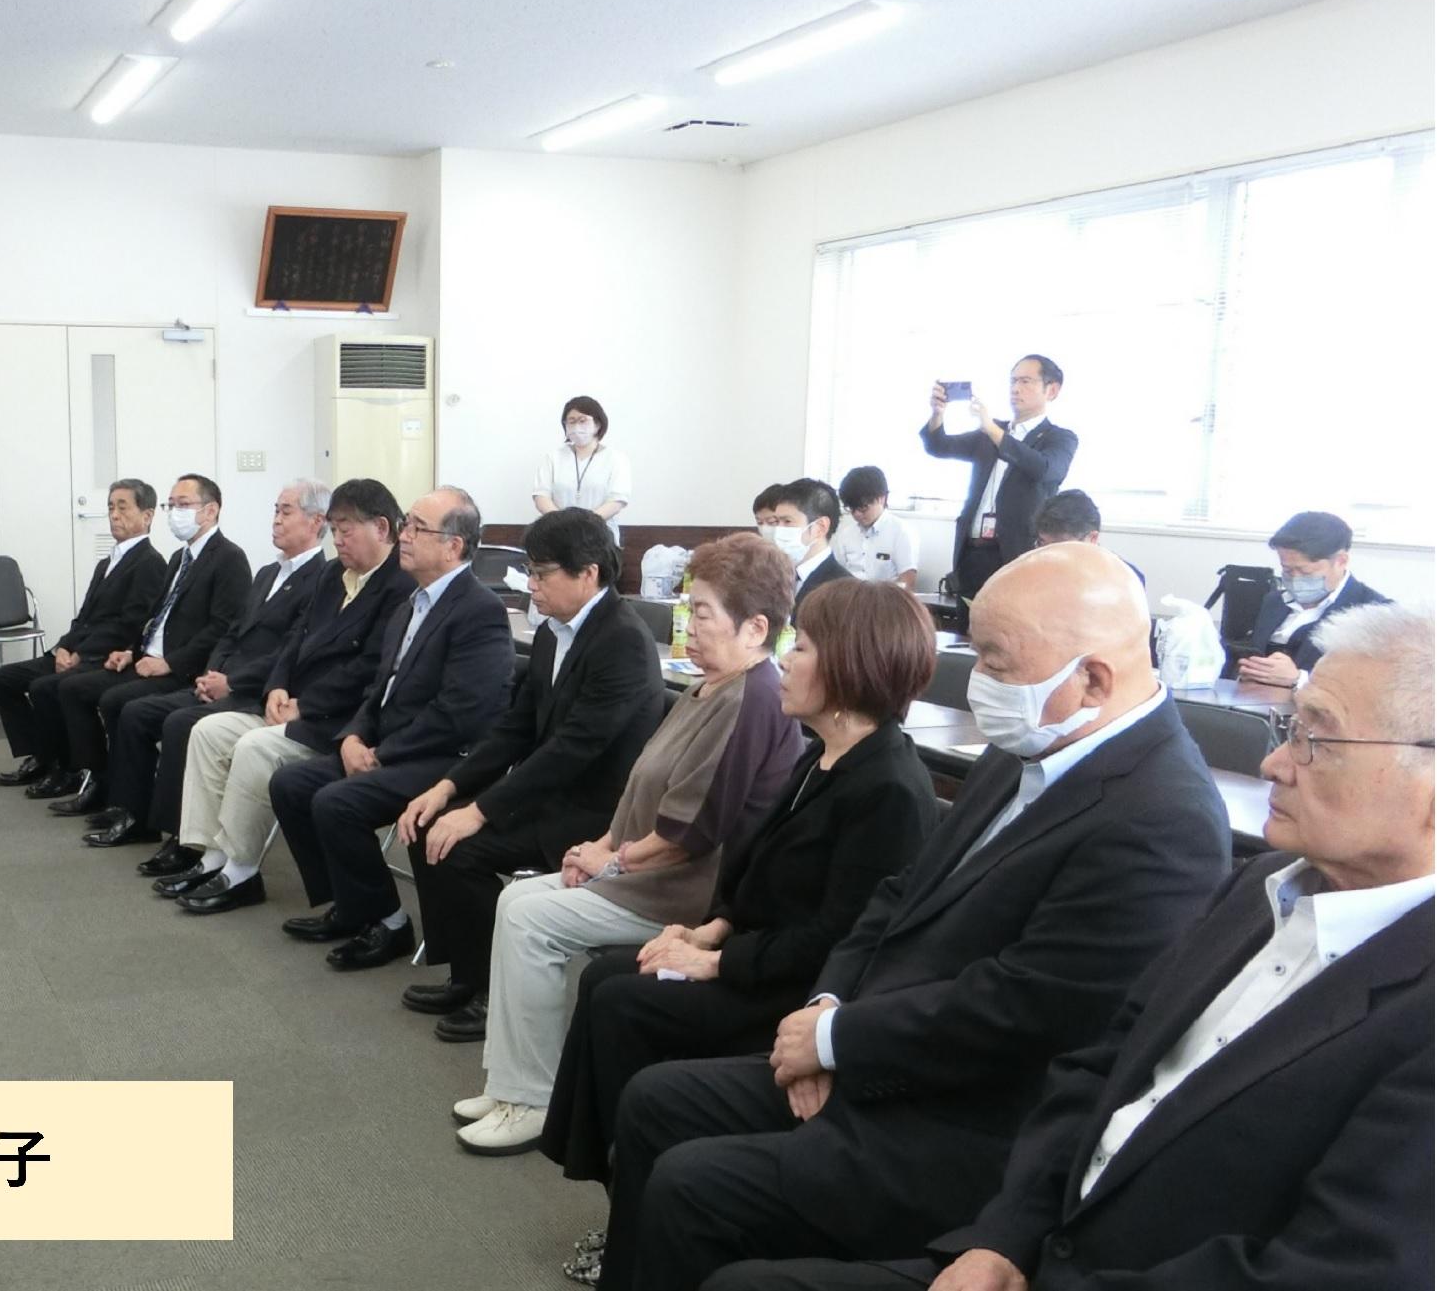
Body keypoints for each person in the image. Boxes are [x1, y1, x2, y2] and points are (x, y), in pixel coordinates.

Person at [717, 603, 1434, 1291]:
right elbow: (1103, 1067)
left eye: (1316, 739)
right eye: (1288, 727)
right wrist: (1005, 1236)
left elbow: (1338, 1271)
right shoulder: (1258, 888)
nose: (1275, 762)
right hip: (1036, 1228)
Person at [595, 543, 1232, 1291]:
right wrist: (826, 1006)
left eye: (993, 662)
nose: (976, 680)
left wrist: (838, 1040)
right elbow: (898, 895)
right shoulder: (1027, 748)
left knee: (692, 1187)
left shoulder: (1163, 818)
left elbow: (1026, 1007)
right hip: (878, 1042)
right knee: (656, 1101)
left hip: (963, 1118)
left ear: (1091, 678)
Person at [543, 579, 940, 1284]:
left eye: (803, 648)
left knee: (625, 1001)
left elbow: (835, 939)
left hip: (794, 990)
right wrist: (709, 930)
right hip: (756, 952)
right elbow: (753, 869)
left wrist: (717, 963)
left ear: (848, 669)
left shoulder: (888, 789)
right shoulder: (819, 754)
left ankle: (635, 1206)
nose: (785, 660)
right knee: (609, 976)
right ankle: (623, 1189)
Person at [452, 533, 808, 1158]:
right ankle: (511, 1082)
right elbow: (642, 788)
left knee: (531, 919)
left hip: (687, 895)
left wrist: (611, 861)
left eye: (702, 612)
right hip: (644, 873)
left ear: (756, 629)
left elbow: (691, 835)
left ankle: (533, 1099)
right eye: (688, 607)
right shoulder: (706, 687)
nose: (687, 623)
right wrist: (598, 846)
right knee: (517, 903)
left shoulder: (752, 700)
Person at [393, 508, 669, 1042]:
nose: (531, 586)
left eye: (542, 574)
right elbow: (515, 729)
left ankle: (492, 994)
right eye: (531, 572)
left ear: (588, 573)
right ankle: (468, 975)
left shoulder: (623, 641)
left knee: (462, 848)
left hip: (596, 816)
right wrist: (449, 787)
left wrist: (480, 810)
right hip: (549, 795)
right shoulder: (552, 632)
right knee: (432, 826)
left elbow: (572, 750)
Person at [269, 487, 513, 970]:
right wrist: (354, 736)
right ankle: (352, 905)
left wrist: (383, 752)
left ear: (453, 546)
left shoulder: (479, 610)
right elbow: (378, 690)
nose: (404, 536)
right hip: (390, 747)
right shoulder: (411, 603)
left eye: (418, 528)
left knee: (337, 803)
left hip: (443, 759)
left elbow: (459, 713)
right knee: (290, 784)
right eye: (407, 525)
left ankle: (389, 924)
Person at [144, 480, 414, 911]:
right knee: (208, 732)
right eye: (334, 529)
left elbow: (368, 669)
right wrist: (278, 686)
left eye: (345, 529)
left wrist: (306, 705)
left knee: (253, 748)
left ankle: (240, 870)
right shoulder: (333, 575)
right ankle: (210, 854)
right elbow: (295, 639)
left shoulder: (400, 586)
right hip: (287, 704)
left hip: (335, 719)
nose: (337, 539)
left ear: (381, 528)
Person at [82, 480, 331, 849]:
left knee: (177, 722)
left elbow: (288, 652)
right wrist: (211, 673)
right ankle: (133, 813)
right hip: (218, 679)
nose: (276, 519)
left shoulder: (321, 580)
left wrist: (231, 682)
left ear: (316, 521)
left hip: (254, 691)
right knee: (135, 713)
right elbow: (231, 632)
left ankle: (181, 837)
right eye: (275, 510)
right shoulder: (268, 572)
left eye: (286, 511)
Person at [44, 474, 253, 817]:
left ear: (210, 510)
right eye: (172, 505)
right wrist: (131, 650)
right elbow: (153, 617)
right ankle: (103, 782)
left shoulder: (229, 558)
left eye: (183, 504)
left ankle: (131, 805)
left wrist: (170, 662)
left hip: (182, 668)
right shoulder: (179, 558)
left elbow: (222, 628)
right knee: (74, 688)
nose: (174, 513)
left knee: (118, 702)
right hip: (147, 659)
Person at [0, 480, 166, 793]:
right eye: (110, 507)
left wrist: (80, 654)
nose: (114, 515)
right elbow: (83, 616)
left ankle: (69, 769)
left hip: (104, 656)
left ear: (147, 515)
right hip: (77, 650)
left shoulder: (150, 563)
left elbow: (129, 626)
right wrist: (64, 647)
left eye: (123, 507)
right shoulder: (106, 562)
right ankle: (42, 756)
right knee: (2, 679)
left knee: (46, 688)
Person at [921, 356, 1079, 598]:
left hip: (1017, 555)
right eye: (1013, 381)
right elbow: (938, 446)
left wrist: (993, 430)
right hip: (972, 552)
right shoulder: (990, 433)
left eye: (1025, 381)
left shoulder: (1059, 437)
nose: (1015, 388)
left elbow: (1044, 469)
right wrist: (937, 414)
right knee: (967, 619)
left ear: (1052, 390)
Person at [1236, 509, 1389, 688]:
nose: (1295, 579)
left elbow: (1373, 687)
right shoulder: (1274, 602)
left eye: (1305, 571)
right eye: (1287, 570)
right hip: (1253, 700)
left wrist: (1299, 680)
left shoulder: (1375, 613)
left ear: (1341, 561)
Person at [533, 396, 634, 542]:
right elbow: (541, 496)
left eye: (582, 420)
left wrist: (585, 525)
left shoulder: (616, 458)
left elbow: (617, 500)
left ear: (597, 424)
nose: (576, 426)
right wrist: (563, 524)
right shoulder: (553, 457)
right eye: (571, 421)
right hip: (558, 534)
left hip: (599, 535)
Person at [754, 479, 852, 615]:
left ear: (820, 527)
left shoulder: (844, 591)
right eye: (776, 522)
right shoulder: (773, 576)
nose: (778, 530)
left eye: (787, 521)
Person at [832, 466, 920, 591]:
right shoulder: (846, 534)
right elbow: (835, 576)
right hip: (849, 598)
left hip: (886, 600)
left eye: (862, 508)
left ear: (881, 498)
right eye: (851, 508)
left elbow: (907, 583)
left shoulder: (901, 532)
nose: (856, 514)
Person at [1033, 489, 1142, 585]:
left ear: (1092, 538)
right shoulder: (1031, 571)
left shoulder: (1126, 579)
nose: (1049, 557)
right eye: (1042, 544)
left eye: (1060, 548)